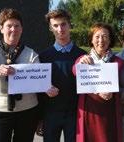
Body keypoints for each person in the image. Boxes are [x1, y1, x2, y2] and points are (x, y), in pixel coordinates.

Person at [0, 8, 39, 142]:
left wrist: (46, 86)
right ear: (1, 28)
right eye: (9, 26)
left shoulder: (32, 54)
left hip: (27, 110)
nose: (13, 29)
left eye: (16, 26)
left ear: (21, 29)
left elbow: (37, 79)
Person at [38, 9, 87, 142]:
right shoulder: (43, 56)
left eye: (63, 24)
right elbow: (38, 88)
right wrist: (39, 118)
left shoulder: (83, 56)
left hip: (75, 114)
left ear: (70, 25)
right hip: (50, 114)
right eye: (55, 25)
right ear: (50, 28)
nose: (60, 29)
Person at [72, 23, 124, 142]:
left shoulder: (117, 62)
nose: (101, 40)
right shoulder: (83, 59)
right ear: (91, 39)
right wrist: (81, 64)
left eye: (105, 36)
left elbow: (117, 70)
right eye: (97, 37)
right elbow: (75, 70)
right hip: (89, 112)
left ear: (110, 40)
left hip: (109, 112)